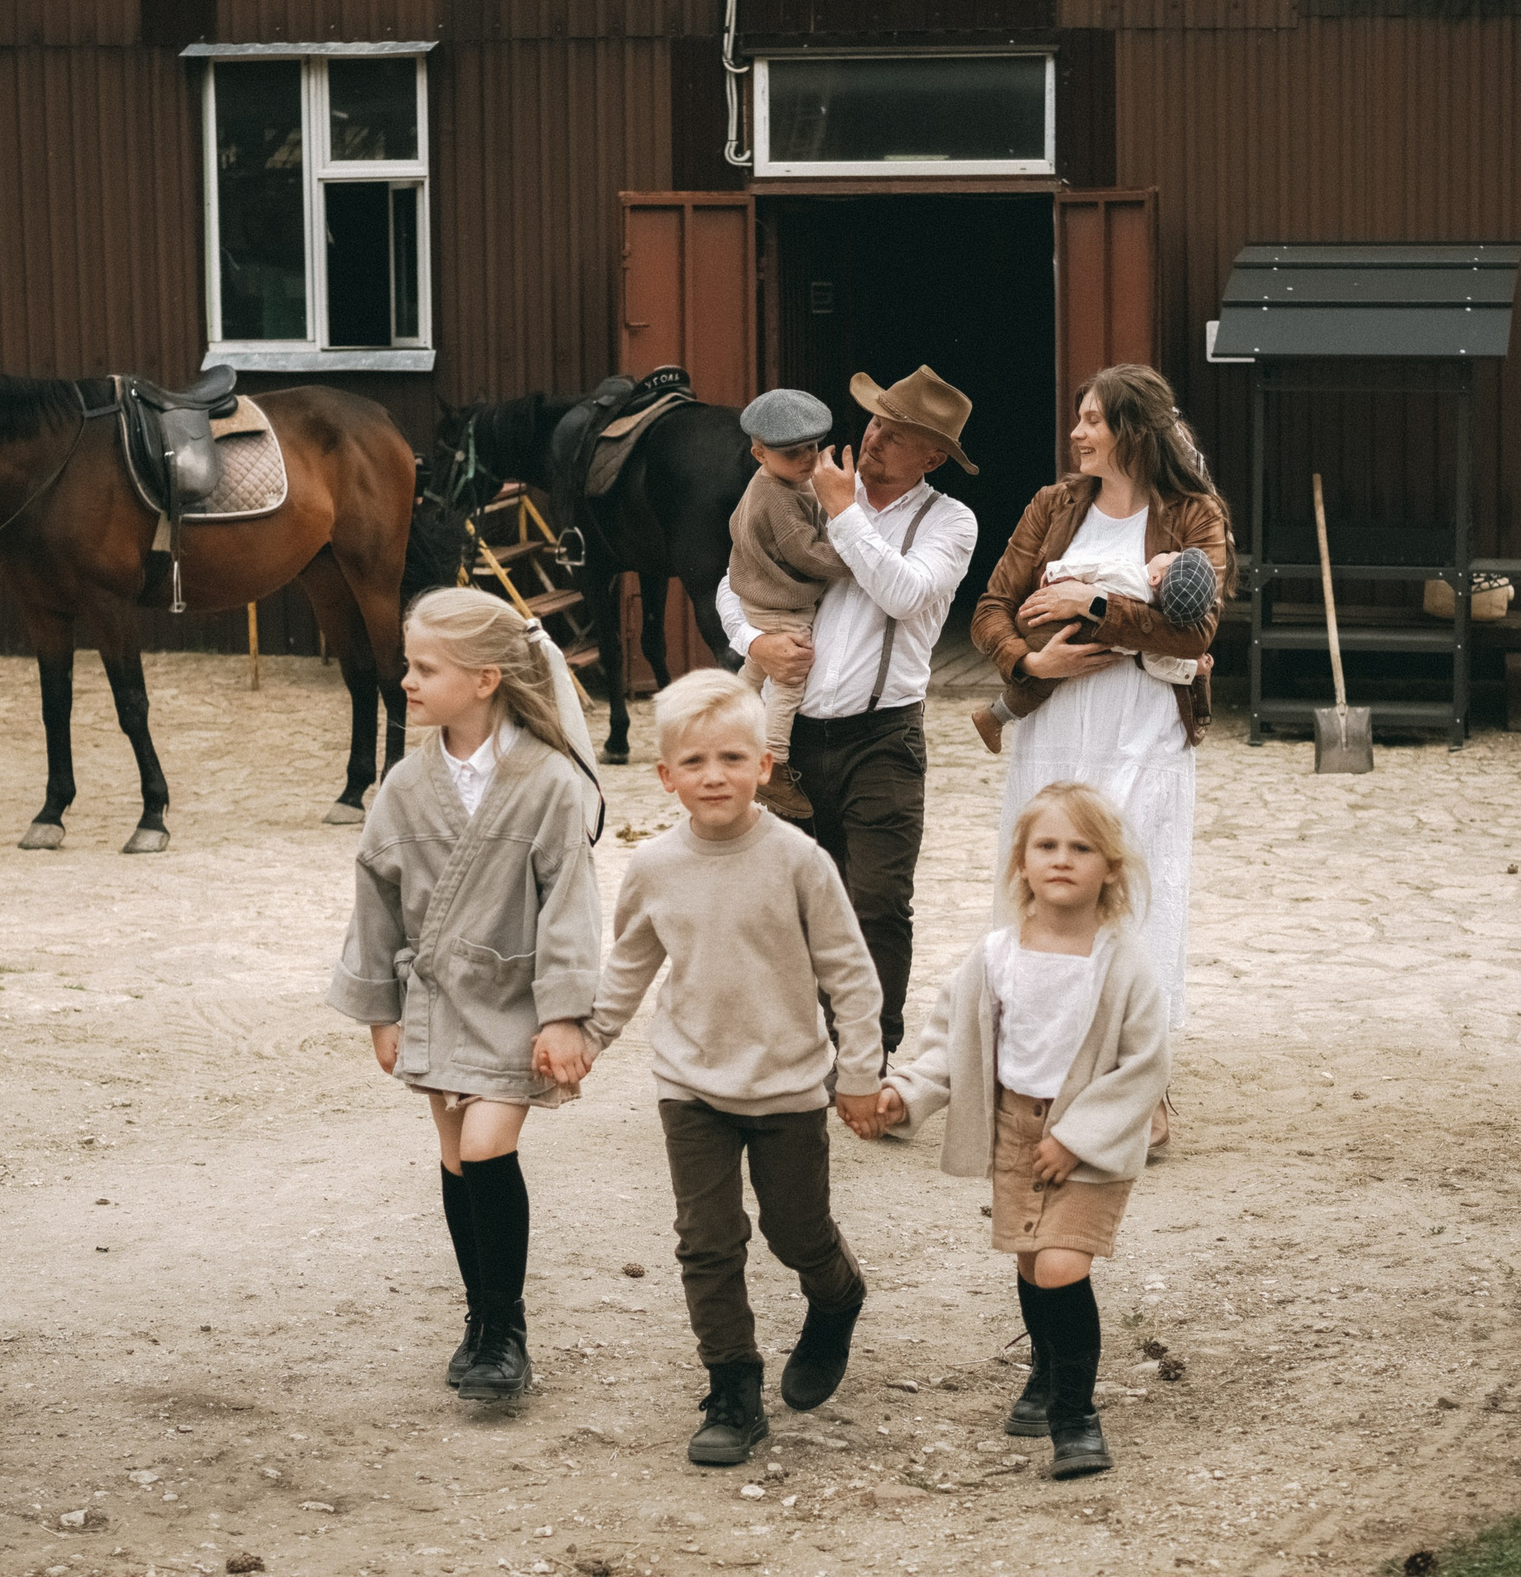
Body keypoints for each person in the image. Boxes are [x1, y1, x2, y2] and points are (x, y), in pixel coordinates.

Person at [582, 669, 887, 1466]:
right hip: (692, 1084)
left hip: (787, 1083)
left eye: (730, 757)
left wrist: (859, 1071)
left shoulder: (799, 860)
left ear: (763, 765)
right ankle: (733, 1387)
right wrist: (589, 1038)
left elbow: (849, 973)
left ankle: (836, 1293)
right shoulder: (653, 867)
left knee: (795, 1230)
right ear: (665, 775)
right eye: (693, 761)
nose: (712, 775)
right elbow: (629, 965)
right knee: (706, 1239)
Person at [326, 587, 606, 1403]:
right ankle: (480, 1322)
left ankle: (508, 1328)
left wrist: (563, 1014)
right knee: (454, 1154)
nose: (405, 681)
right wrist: (381, 1008)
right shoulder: (407, 785)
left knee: (486, 1144)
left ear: (486, 679)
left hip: (517, 1000)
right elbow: (374, 895)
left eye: (424, 668)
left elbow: (569, 906)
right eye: (408, 666)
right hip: (438, 997)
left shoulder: (550, 782)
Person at [858, 782, 1171, 1481]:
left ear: (1110, 867)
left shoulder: (1122, 962)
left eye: (1082, 847)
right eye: (1047, 846)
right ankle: (1046, 1367)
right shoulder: (995, 956)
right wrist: (901, 1094)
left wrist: (1080, 1136)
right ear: (1022, 862)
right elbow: (949, 1045)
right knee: (1032, 1262)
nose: (1063, 859)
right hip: (1014, 1126)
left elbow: (1145, 1064)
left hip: (1087, 1135)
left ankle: (1075, 1415)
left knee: (1062, 1264)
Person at [714, 365, 981, 1058]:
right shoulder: (800, 486)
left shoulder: (948, 520)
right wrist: (755, 641)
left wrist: (844, 512)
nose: (875, 435)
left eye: (898, 432)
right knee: (802, 901)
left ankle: (871, 1052)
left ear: (932, 456)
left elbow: (903, 591)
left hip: (884, 736)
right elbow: (733, 577)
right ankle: (805, 1046)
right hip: (795, 736)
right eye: (875, 418)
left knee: (879, 901)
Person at [971, 363, 1228, 1040]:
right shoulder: (1053, 506)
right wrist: (1028, 659)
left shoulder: (1194, 514)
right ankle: (1040, 1051)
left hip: (1146, 728)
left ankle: (1144, 1066)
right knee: (1047, 883)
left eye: (1093, 419)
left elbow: (1198, 628)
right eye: (1079, 417)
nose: (1077, 431)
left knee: (1144, 888)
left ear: (1133, 430)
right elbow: (992, 607)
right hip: (1054, 728)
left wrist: (1092, 603)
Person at [724, 387, 850, 821]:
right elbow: (805, 551)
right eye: (790, 452)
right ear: (759, 453)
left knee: (755, 671)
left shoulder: (782, 481)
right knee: (791, 677)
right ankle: (774, 763)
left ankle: (725, 730)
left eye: (812, 448)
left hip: (760, 597)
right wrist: (854, 556)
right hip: (780, 604)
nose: (805, 459)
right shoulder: (777, 496)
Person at [971, 545, 1221, 753]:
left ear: (1155, 578)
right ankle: (995, 717)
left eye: (1168, 557)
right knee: (1039, 686)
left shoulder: (1131, 576)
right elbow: (1155, 663)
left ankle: (993, 717)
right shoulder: (1151, 623)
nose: (1166, 551)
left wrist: (1056, 570)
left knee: (1042, 681)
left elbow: (1094, 567)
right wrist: (1192, 668)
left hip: (1044, 621)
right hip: (1050, 621)